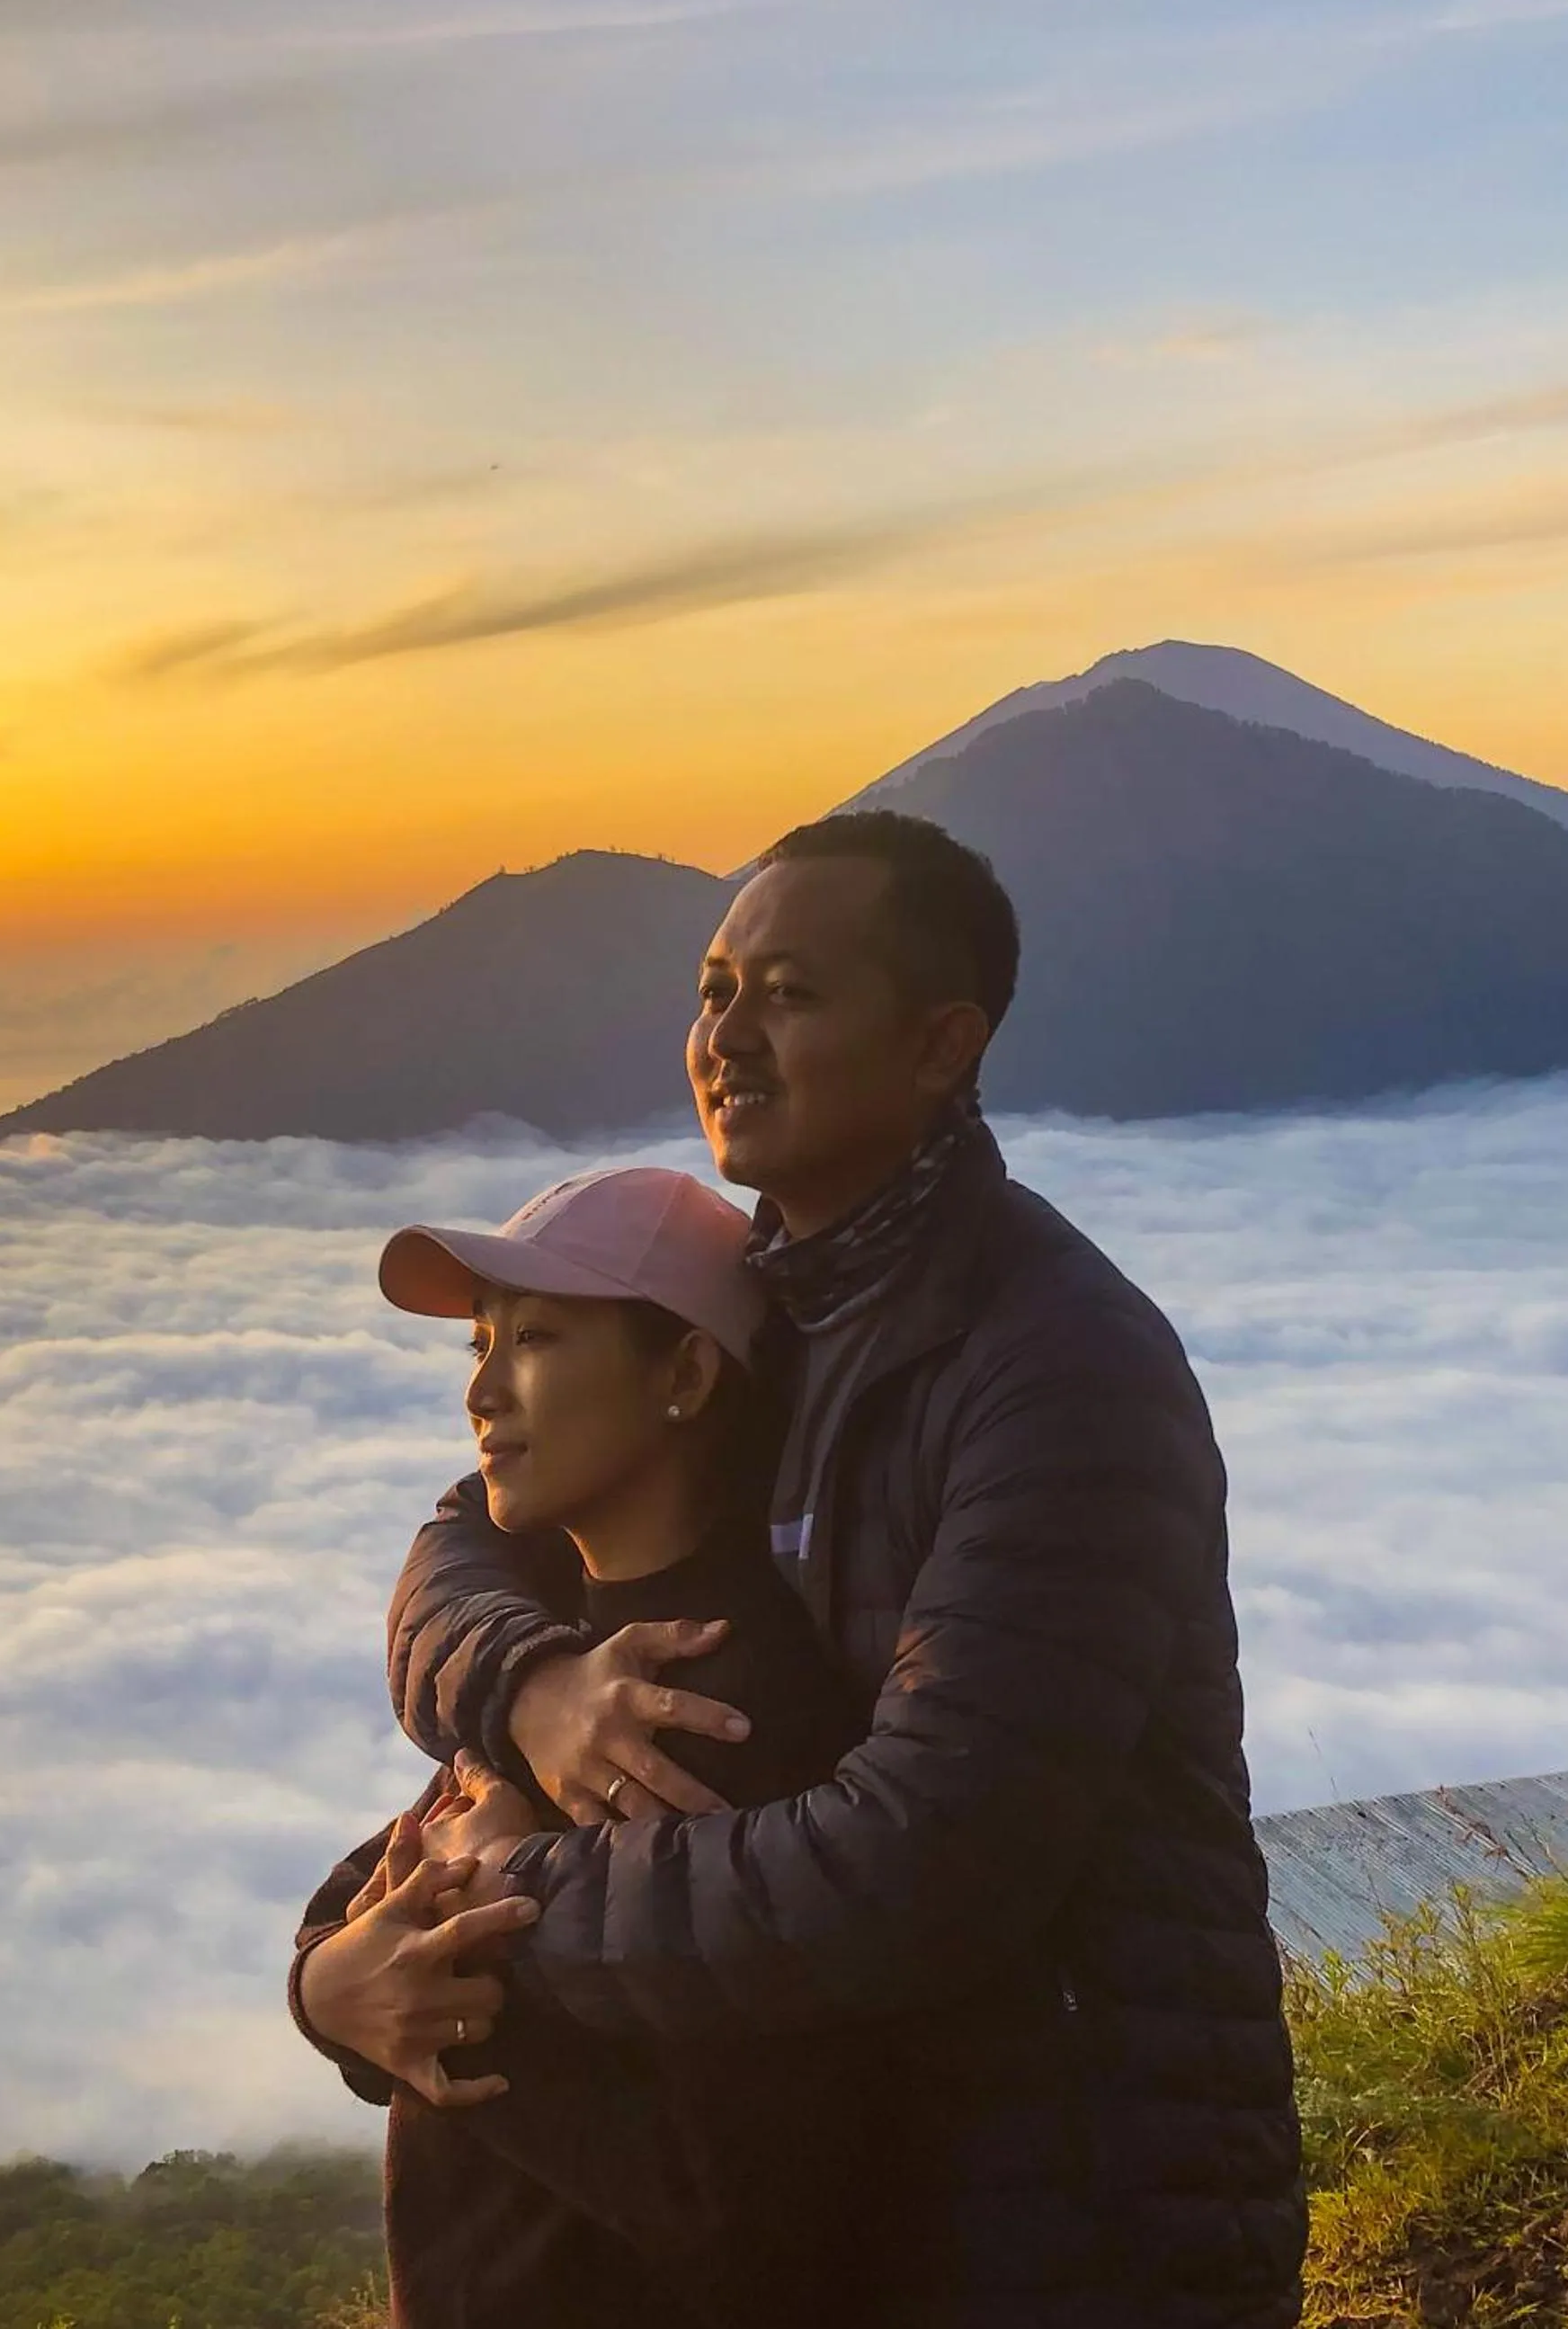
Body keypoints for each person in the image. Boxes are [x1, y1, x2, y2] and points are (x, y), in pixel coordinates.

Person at [298, 809, 1307, 2328]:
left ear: (938, 1044)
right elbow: (464, 1531)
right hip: (890, 2179)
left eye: (793, 993)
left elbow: (921, 1861)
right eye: (715, 989)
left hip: (1077, 2201)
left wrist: (495, 1908)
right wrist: (529, 1683)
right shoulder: (770, 1320)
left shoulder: (1053, 1367)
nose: (729, 1035)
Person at [290, 1165, 889, 2328]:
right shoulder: (566, 1673)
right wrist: (324, 1985)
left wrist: (469, 1986)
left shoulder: (714, 1711)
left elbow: (742, 2199)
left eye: (539, 1337)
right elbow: (388, 1887)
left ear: (684, 1374)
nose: (482, 1389)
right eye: (478, 1342)